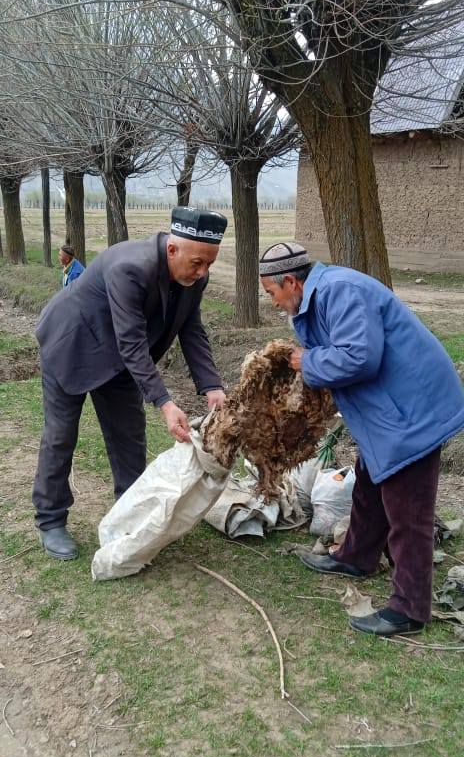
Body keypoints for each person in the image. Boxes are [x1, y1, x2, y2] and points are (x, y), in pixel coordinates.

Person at [260, 242, 464, 638]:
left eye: (272, 294)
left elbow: (359, 357)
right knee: (369, 481)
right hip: (391, 408)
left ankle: (409, 608)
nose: (274, 303)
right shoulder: (320, 297)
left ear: (290, 281)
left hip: (414, 409)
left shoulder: (340, 291)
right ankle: (357, 556)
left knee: (408, 508)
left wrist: (307, 362)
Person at [33, 207, 228, 560]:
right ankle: (50, 519)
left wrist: (211, 385)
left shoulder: (194, 277)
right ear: (172, 250)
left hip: (118, 362)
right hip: (73, 346)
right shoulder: (130, 267)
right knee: (61, 435)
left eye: (209, 265)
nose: (203, 272)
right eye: (198, 263)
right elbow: (132, 342)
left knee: (129, 437)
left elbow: (191, 329)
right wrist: (165, 402)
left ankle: (131, 517)